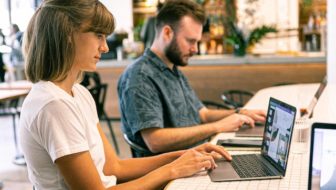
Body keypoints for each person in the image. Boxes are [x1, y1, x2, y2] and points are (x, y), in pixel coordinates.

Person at [19, 0, 232, 189]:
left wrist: (183, 155)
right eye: (99, 35)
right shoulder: (53, 104)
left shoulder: (79, 93)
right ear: (67, 34)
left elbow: (115, 167)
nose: (104, 47)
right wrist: (172, 170)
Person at [118, 0, 266, 157]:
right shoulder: (140, 76)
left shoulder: (173, 69)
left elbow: (202, 114)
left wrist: (240, 113)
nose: (195, 49)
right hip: (171, 171)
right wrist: (217, 127)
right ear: (167, 33)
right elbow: (155, 141)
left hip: (199, 154)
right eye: (190, 41)